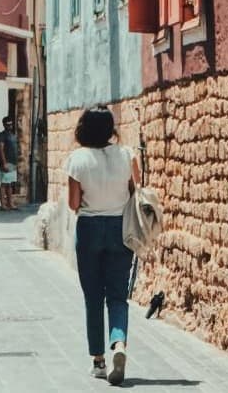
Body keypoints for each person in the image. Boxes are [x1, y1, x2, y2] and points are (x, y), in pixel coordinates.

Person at [65, 106, 140, 385]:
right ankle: (118, 342)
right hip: (120, 229)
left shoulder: (77, 159)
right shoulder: (127, 154)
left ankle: (98, 361)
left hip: (89, 229)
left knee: (93, 297)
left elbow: (74, 204)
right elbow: (135, 192)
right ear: (111, 128)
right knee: (118, 295)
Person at [0, 116, 20, 210]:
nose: (10, 126)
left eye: (11, 124)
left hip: (13, 162)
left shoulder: (12, 135)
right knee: (4, 183)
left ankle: (10, 203)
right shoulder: (2, 135)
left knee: (9, 184)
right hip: (6, 162)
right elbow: (1, 149)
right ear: (4, 125)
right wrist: (4, 162)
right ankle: (3, 204)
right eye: (8, 124)